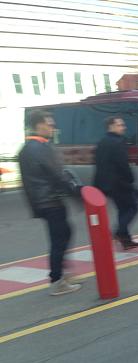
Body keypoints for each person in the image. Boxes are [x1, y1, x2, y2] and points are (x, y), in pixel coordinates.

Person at [18, 110, 82, 295]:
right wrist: (77, 192)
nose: (53, 128)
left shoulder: (26, 148)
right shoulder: (41, 148)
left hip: (41, 201)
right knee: (59, 238)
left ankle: (62, 274)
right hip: (51, 201)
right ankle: (57, 280)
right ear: (39, 125)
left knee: (63, 233)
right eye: (50, 124)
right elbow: (57, 175)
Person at [94, 116, 138, 249]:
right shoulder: (117, 142)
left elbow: (98, 163)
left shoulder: (102, 141)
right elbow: (122, 164)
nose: (124, 127)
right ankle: (120, 232)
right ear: (111, 126)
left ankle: (126, 240)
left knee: (123, 209)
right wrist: (130, 178)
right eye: (120, 125)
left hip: (107, 184)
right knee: (133, 207)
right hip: (120, 182)